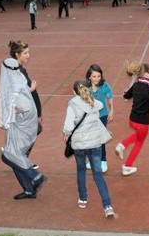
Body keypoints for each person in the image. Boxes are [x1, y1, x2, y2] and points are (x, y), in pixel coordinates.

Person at [63, 80, 114, 217]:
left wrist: (67, 134)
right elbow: (101, 105)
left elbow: (68, 127)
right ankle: (107, 205)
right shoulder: (95, 104)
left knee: (81, 169)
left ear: (74, 92)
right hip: (95, 144)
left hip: (79, 145)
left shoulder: (72, 105)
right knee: (98, 174)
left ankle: (83, 198)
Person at [0, 57, 47, 199]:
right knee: (14, 156)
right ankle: (29, 189)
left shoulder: (14, 86)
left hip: (22, 127)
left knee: (9, 156)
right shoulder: (19, 79)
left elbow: (24, 107)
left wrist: (11, 112)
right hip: (24, 126)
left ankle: (35, 176)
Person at [7, 41, 43, 161]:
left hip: (27, 107)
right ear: (17, 54)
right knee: (32, 130)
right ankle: (19, 156)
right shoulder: (16, 70)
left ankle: (18, 154)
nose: (28, 55)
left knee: (32, 130)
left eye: (29, 52)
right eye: (26, 53)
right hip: (23, 109)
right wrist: (30, 90)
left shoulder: (19, 68)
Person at [85, 64, 114, 173]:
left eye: (98, 76)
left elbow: (109, 98)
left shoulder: (104, 86)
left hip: (102, 115)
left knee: (100, 139)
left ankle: (103, 161)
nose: (97, 79)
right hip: (90, 116)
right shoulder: (86, 87)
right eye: (94, 76)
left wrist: (112, 110)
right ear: (89, 77)